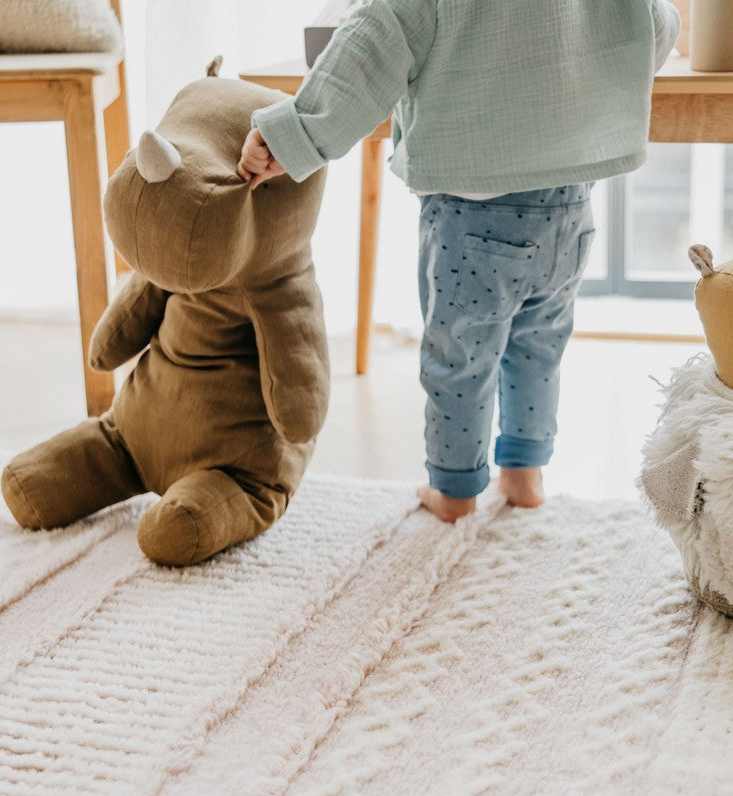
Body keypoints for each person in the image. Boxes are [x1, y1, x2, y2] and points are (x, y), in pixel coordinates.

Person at [239, 0, 681, 522]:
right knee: (540, 346)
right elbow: (656, 27)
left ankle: (454, 491)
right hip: (569, 210)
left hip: (472, 216)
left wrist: (287, 137)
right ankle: (524, 477)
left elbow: (366, 53)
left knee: (460, 361)